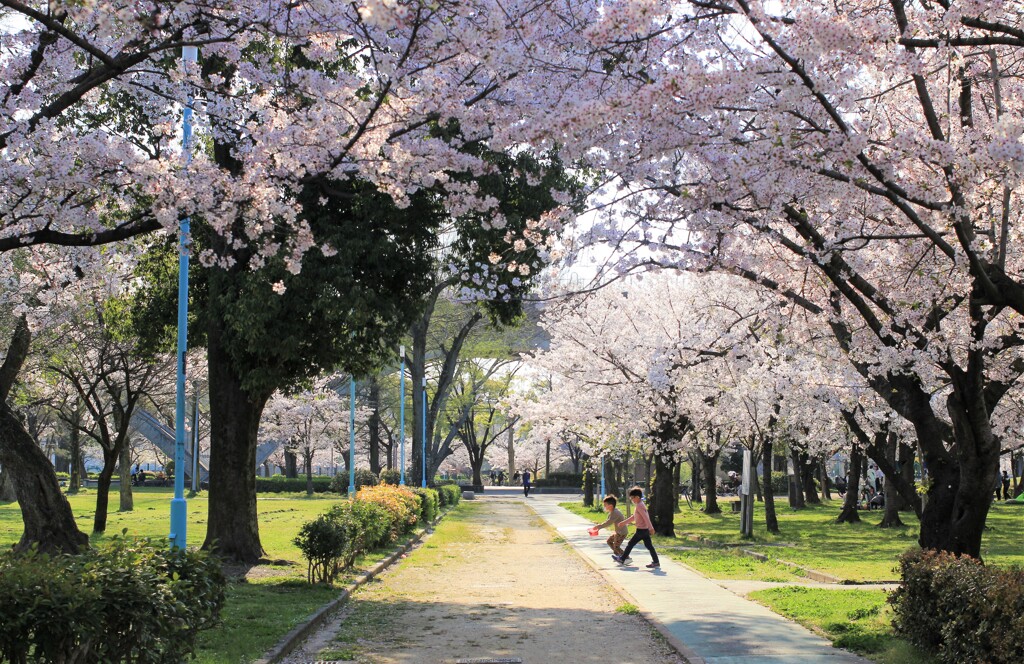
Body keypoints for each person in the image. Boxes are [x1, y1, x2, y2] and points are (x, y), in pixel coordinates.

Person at [612, 487, 661, 569]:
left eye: (632, 498)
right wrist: (624, 523)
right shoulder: (640, 505)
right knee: (649, 546)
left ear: (637, 497)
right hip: (644, 530)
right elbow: (634, 517)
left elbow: (646, 517)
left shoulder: (639, 506)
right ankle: (656, 562)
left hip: (641, 530)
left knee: (630, 544)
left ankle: (622, 559)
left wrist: (651, 528)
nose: (632, 500)